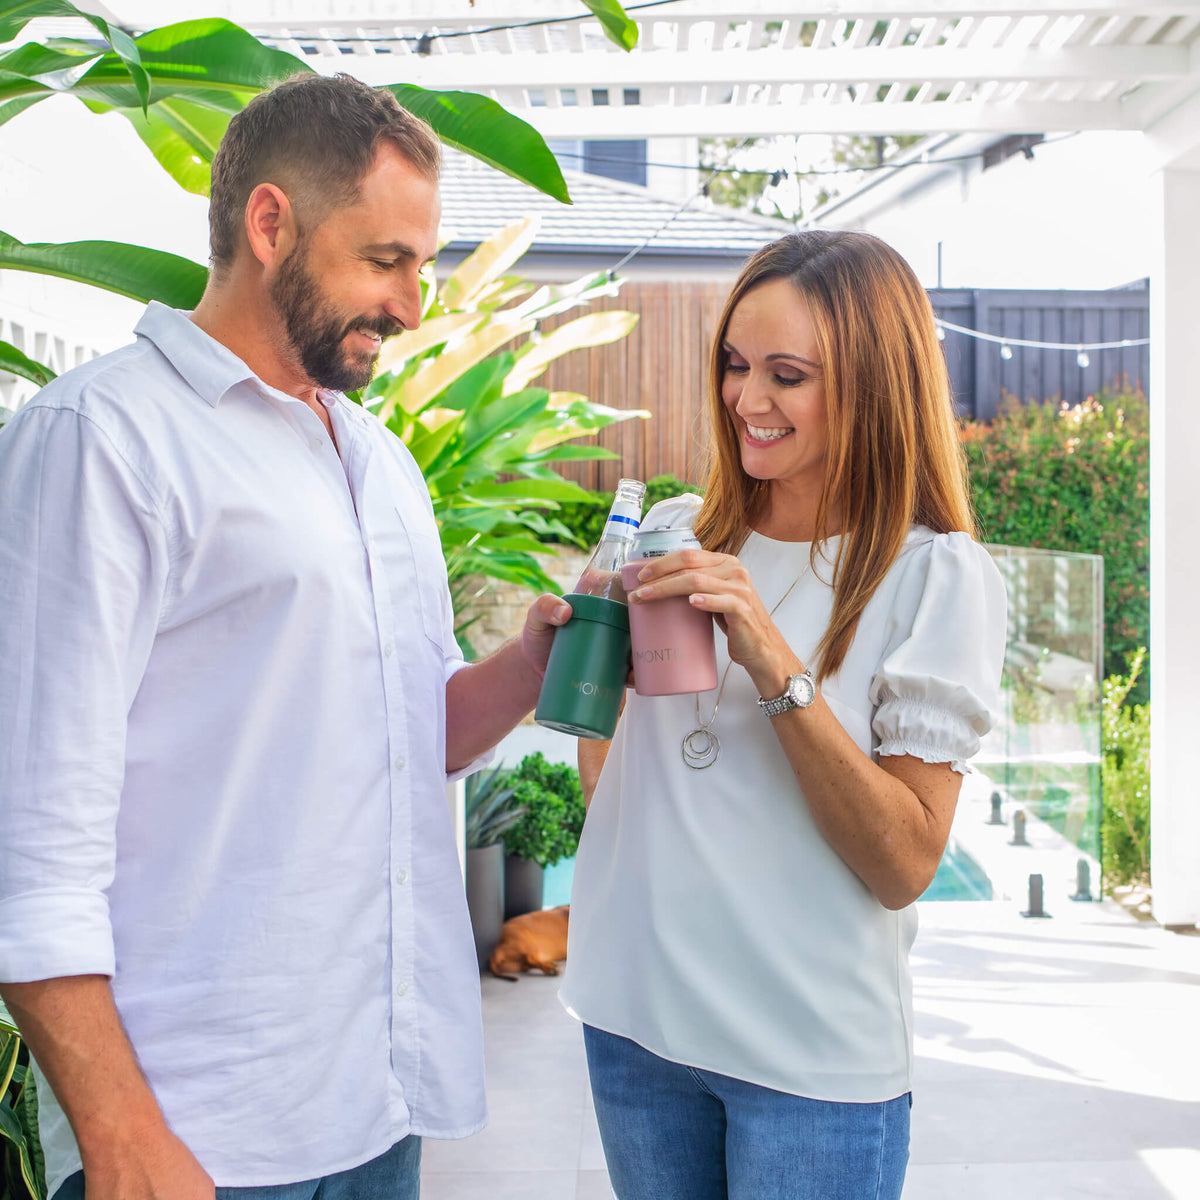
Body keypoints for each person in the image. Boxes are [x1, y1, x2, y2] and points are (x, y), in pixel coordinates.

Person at [0, 73, 571, 1200]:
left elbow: (407, 735)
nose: (413, 306)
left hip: (373, 1104)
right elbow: (30, 830)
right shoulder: (101, 440)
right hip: (194, 1131)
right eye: (386, 261)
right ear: (270, 224)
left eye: (422, 266)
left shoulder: (378, 461)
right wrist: (120, 1135)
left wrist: (527, 667)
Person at [561, 231, 1007, 1200]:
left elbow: (904, 865)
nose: (745, 399)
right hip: (637, 1026)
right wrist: (592, 667)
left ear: (875, 386)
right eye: (735, 364)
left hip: (808, 1063)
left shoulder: (933, 578)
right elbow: (623, 791)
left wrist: (771, 658)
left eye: (787, 375)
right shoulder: (675, 535)